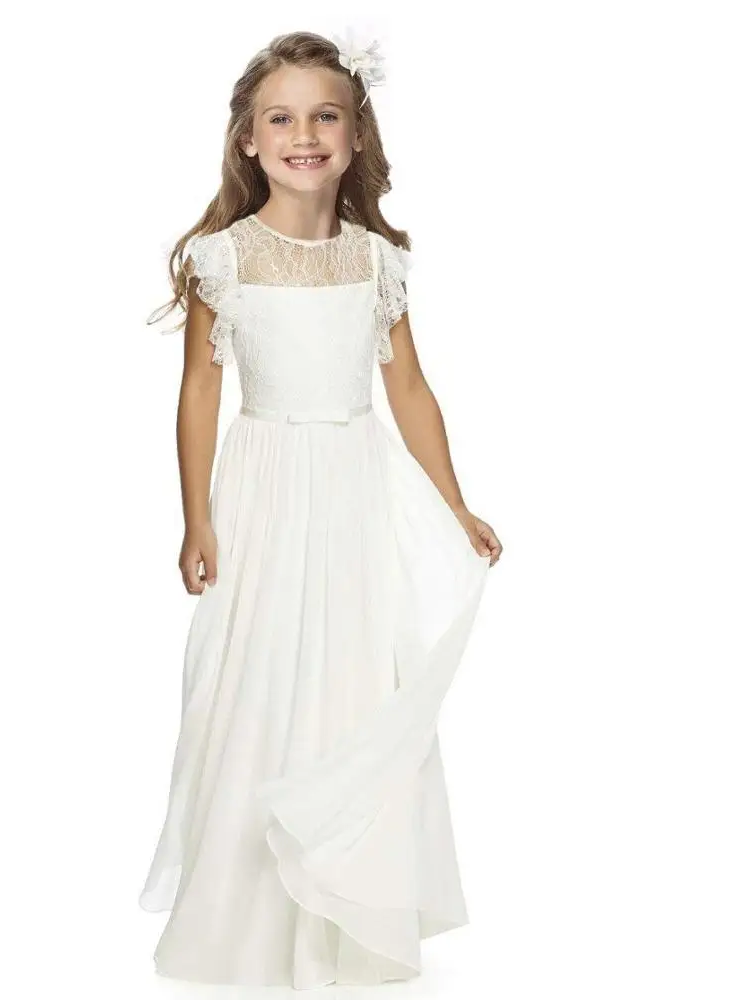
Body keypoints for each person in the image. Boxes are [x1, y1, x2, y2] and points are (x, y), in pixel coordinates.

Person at [139, 27, 504, 990]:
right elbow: (201, 392)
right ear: (248, 139)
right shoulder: (223, 259)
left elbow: (409, 388)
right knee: (257, 674)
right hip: (264, 491)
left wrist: (455, 505)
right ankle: (248, 920)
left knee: (352, 676)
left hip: (354, 492)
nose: (304, 135)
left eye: (325, 116)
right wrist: (196, 518)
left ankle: (340, 918)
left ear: (355, 134)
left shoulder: (377, 262)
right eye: (282, 118)